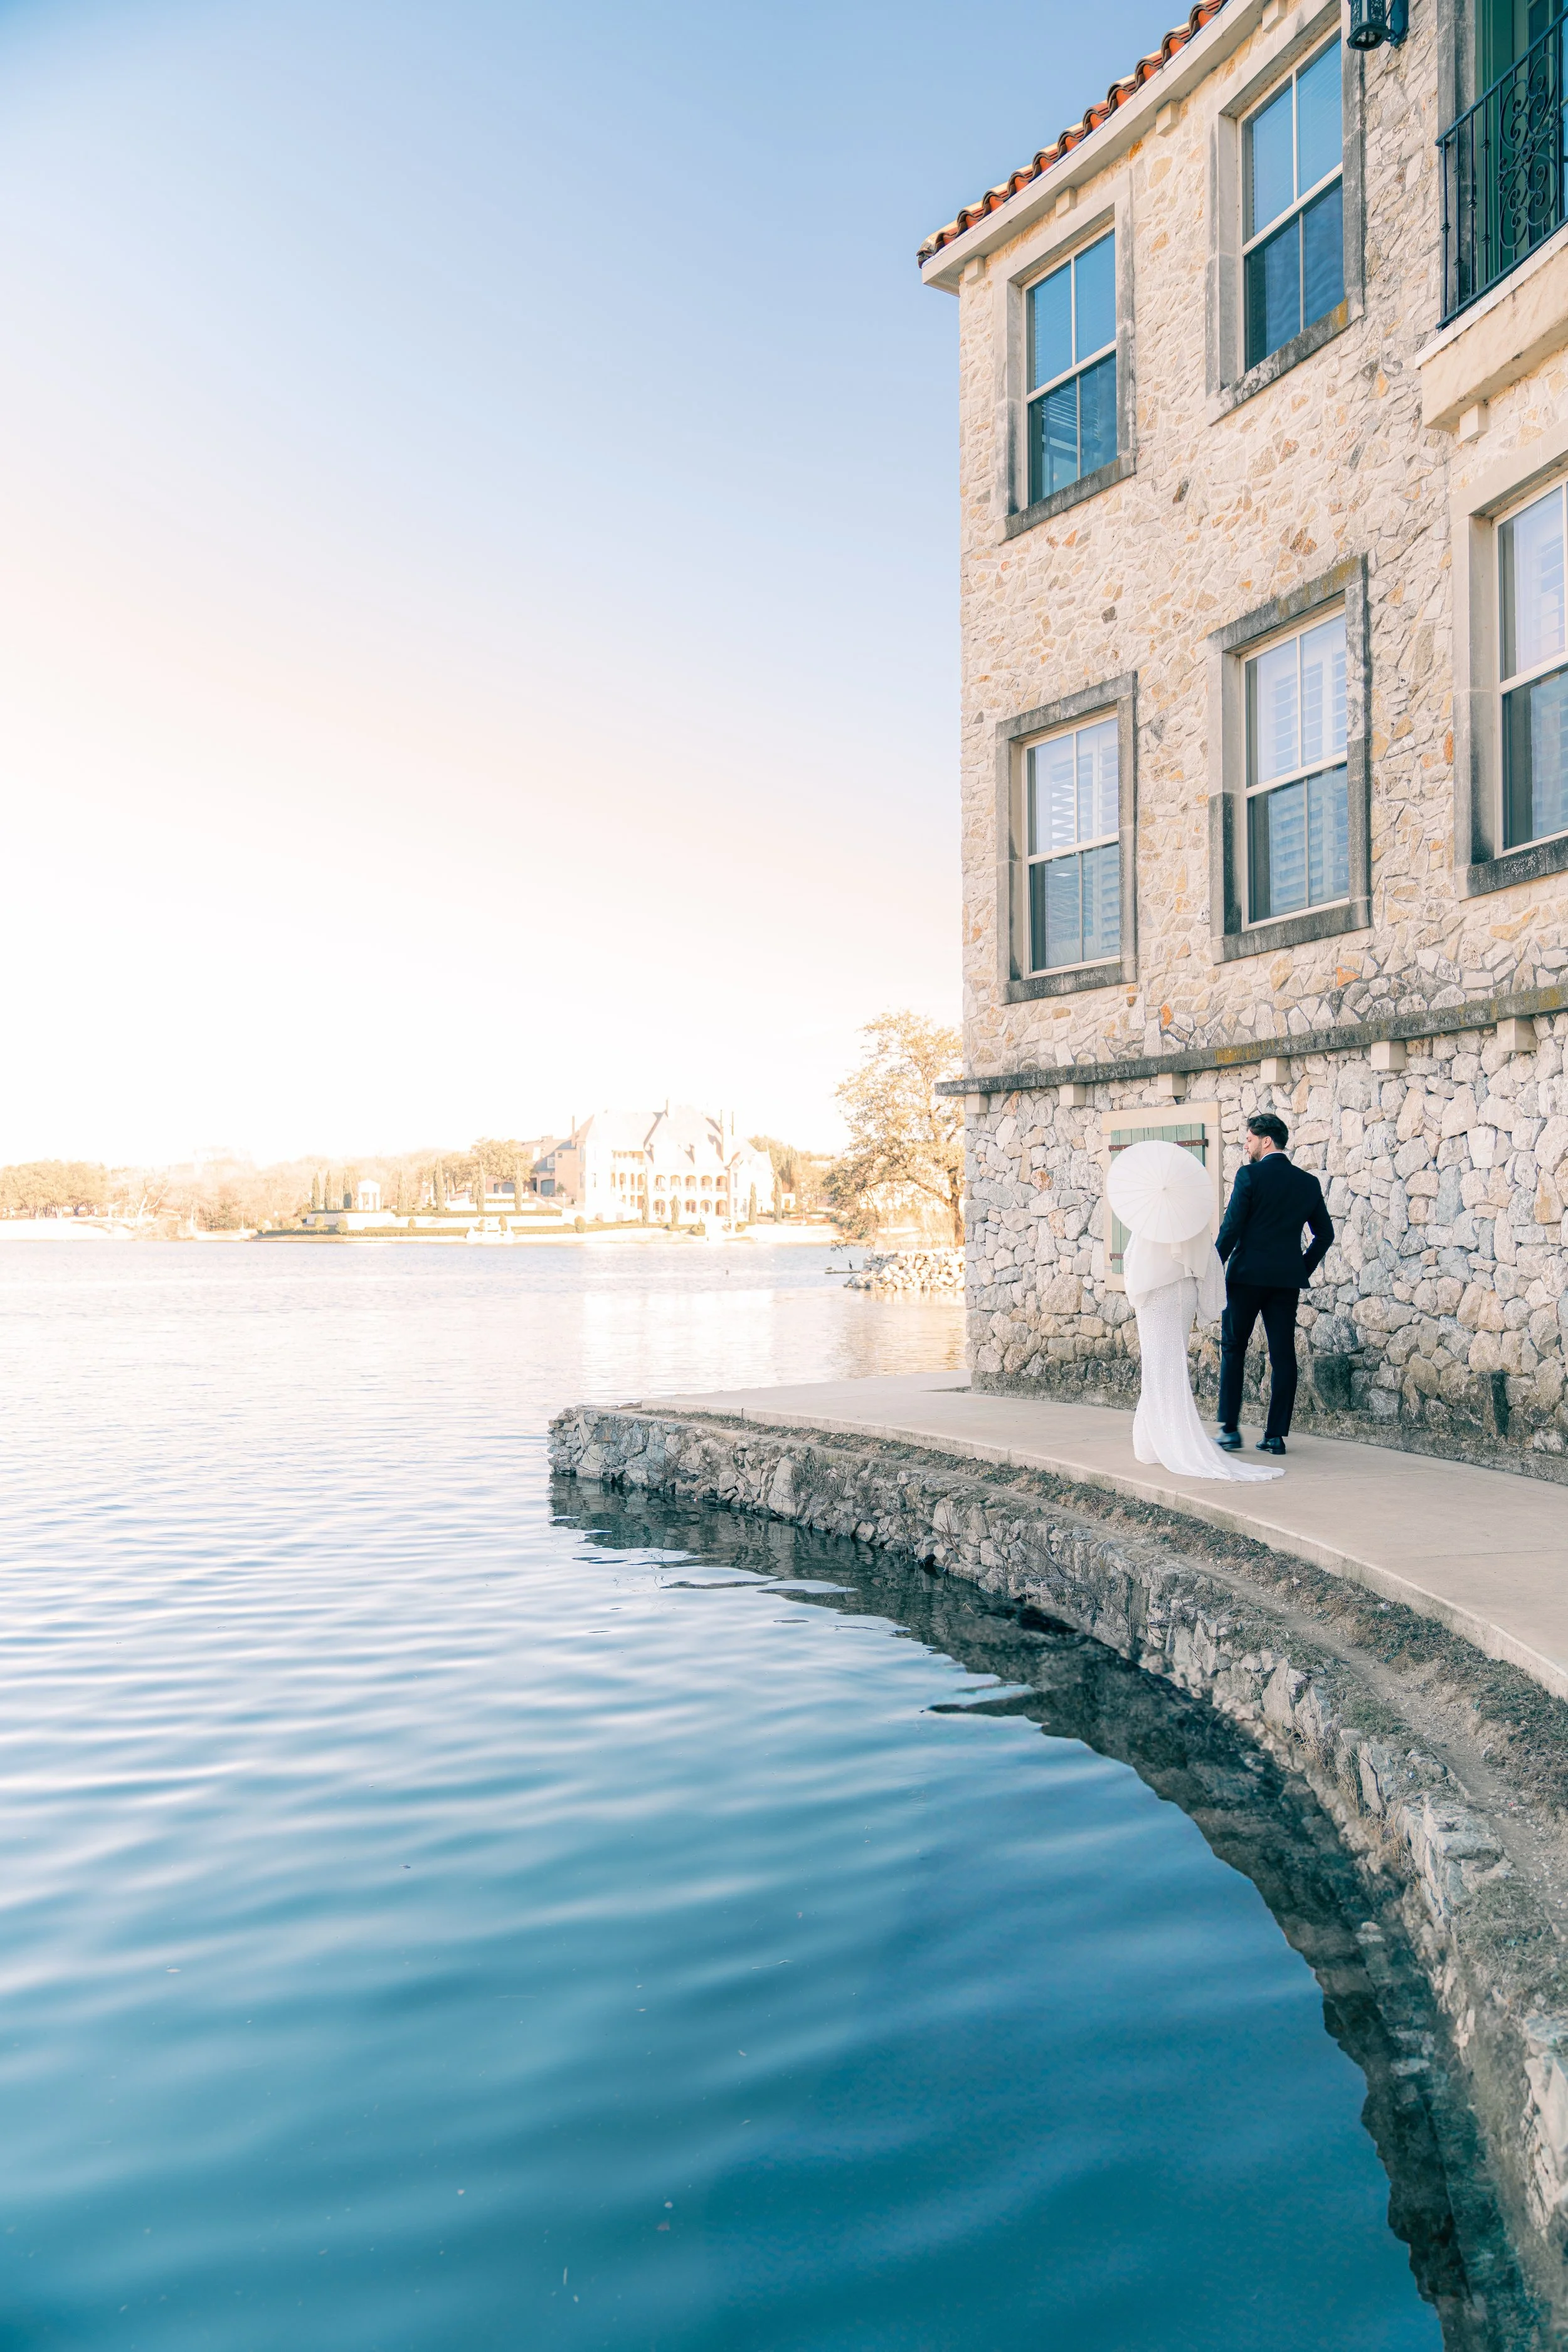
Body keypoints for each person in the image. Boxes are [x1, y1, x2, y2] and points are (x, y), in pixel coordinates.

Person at [1215, 1111, 1334, 1455]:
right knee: (1283, 1356)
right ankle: (1275, 1436)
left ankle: (1229, 1430)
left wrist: (1213, 1268)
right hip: (1285, 1282)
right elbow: (1325, 1235)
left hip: (1246, 1278)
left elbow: (1231, 1228)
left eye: (1249, 1139)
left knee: (1233, 1348)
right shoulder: (1307, 1183)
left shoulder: (1249, 1176)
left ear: (1266, 1140)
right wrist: (1300, 1268)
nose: (1247, 1144)